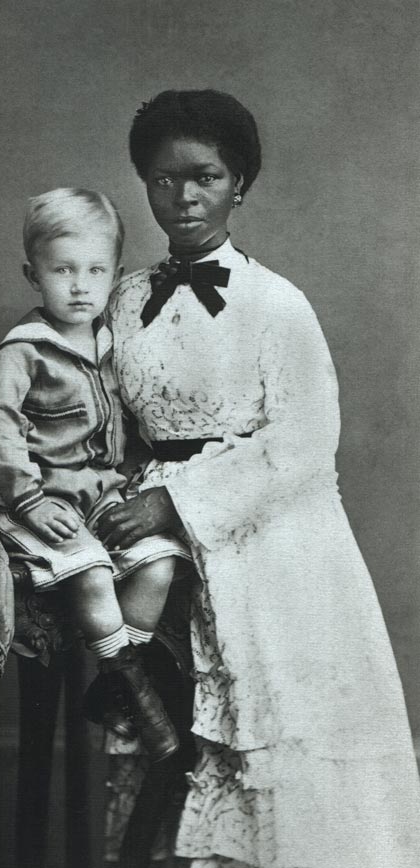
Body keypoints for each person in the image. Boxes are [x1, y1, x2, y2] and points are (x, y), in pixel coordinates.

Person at [96, 90, 420, 867]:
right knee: (162, 731)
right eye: (164, 180)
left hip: (272, 544)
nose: (184, 197)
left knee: (275, 742)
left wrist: (175, 501)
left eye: (204, 177)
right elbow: (103, 407)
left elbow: (305, 442)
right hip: (159, 548)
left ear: (238, 184)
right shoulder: (125, 297)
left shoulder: (275, 304)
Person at [0, 187, 192, 762]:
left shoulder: (112, 345)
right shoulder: (22, 354)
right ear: (33, 274)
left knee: (159, 563)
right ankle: (137, 693)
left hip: (102, 495)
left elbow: (128, 424)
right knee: (90, 570)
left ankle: (117, 686)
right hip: (43, 502)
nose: (79, 286)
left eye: (95, 270)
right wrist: (28, 501)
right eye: (62, 270)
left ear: (115, 273)